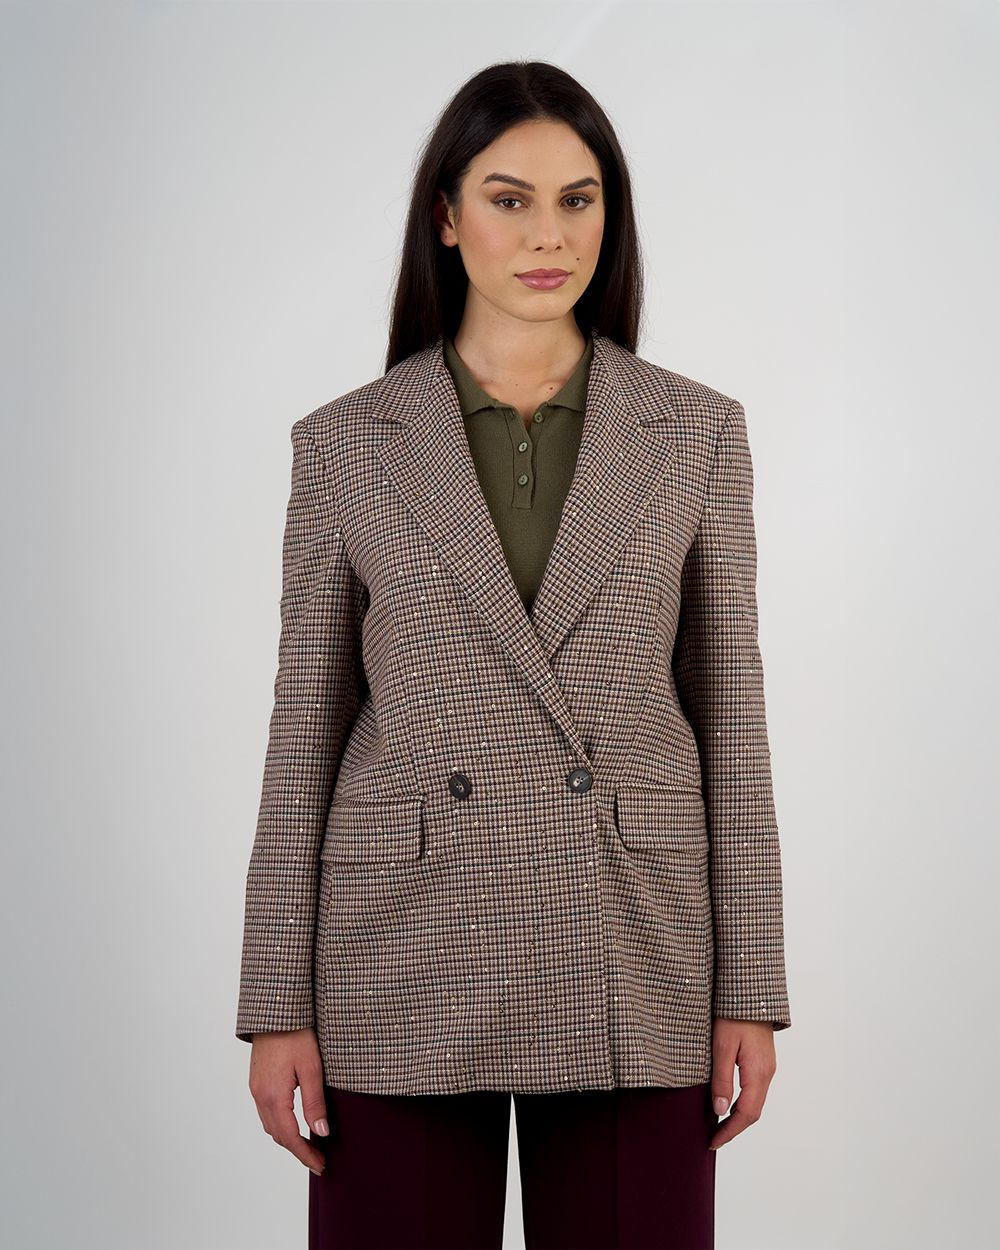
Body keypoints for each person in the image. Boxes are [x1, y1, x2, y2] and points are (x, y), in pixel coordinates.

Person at [235, 59, 791, 1250]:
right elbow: (303, 733)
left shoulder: (695, 432)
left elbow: (733, 724)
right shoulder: (345, 443)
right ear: (445, 217)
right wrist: (275, 1003)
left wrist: (751, 984)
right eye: (509, 199)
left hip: (631, 942)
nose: (549, 234)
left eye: (578, 200)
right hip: (400, 943)